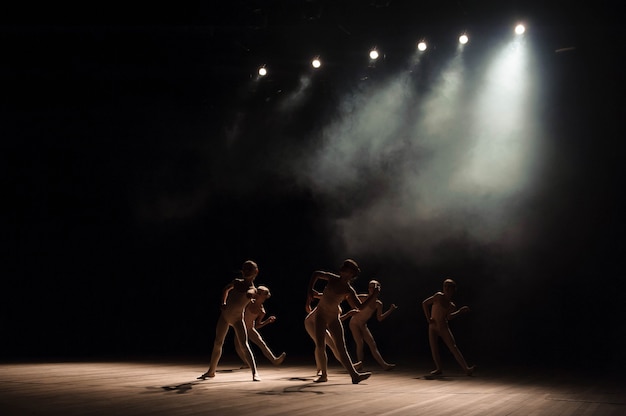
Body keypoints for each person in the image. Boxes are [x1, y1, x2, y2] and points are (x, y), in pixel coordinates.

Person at [305, 259, 380, 384]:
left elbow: (360, 307)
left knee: (341, 347)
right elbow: (316, 274)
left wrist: (373, 295)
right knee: (320, 345)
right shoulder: (332, 278)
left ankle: (354, 375)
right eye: (344, 269)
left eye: (348, 271)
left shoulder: (348, 290)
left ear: (351, 275)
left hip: (333, 317)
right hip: (321, 315)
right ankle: (324, 375)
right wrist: (309, 291)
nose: (344, 272)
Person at [199, 260, 260, 381]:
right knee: (218, 342)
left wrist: (249, 295)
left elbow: (250, 293)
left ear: (255, 272)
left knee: (244, 344)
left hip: (237, 319)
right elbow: (225, 289)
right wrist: (223, 302)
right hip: (225, 317)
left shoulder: (253, 289)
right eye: (244, 268)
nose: (246, 271)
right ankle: (211, 371)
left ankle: (255, 372)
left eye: (249, 269)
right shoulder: (236, 282)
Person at [422, 278, 475, 376]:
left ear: (452, 289)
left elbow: (449, 317)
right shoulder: (438, 296)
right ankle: (439, 368)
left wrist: (460, 311)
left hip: (443, 327)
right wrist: (428, 319)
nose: (446, 288)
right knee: (434, 348)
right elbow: (425, 303)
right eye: (445, 286)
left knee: (453, 347)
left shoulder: (451, 305)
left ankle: (466, 369)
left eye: (448, 286)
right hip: (433, 326)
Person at [349, 279, 398, 371]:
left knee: (372, 344)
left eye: (374, 287)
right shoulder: (363, 297)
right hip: (354, 323)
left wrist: (390, 310)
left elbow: (380, 318)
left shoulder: (378, 304)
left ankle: (384, 365)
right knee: (360, 343)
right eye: (370, 287)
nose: (372, 289)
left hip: (363, 324)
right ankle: (359, 364)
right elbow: (348, 297)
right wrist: (353, 308)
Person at [235, 285, 286, 367]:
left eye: (260, 293)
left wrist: (267, 321)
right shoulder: (249, 302)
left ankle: (274, 360)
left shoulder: (261, 311)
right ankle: (248, 362)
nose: (257, 294)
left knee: (261, 343)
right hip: (241, 327)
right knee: (239, 346)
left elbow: (257, 325)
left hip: (250, 328)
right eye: (257, 292)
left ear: (264, 297)